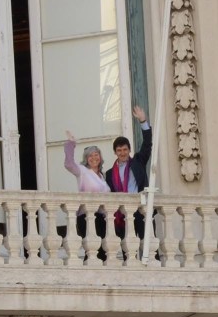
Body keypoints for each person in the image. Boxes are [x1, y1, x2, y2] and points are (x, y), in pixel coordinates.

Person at [105, 105, 152, 244]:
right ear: (115, 152)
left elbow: (147, 144)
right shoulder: (109, 174)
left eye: (125, 149)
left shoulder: (138, 161)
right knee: (127, 247)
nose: (122, 153)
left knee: (147, 244)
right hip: (122, 214)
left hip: (140, 209)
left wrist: (143, 121)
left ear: (129, 150)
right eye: (119, 150)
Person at [63, 131, 109, 261]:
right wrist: (70, 144)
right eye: (90, 155)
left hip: (102, 217)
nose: (94, 157)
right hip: (86, 216)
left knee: (102, 251)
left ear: (100, 157)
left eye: (96, 154)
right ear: (86, 159)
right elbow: (68, 164)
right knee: (92, 250)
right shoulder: (82, 171)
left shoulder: (103, 176)